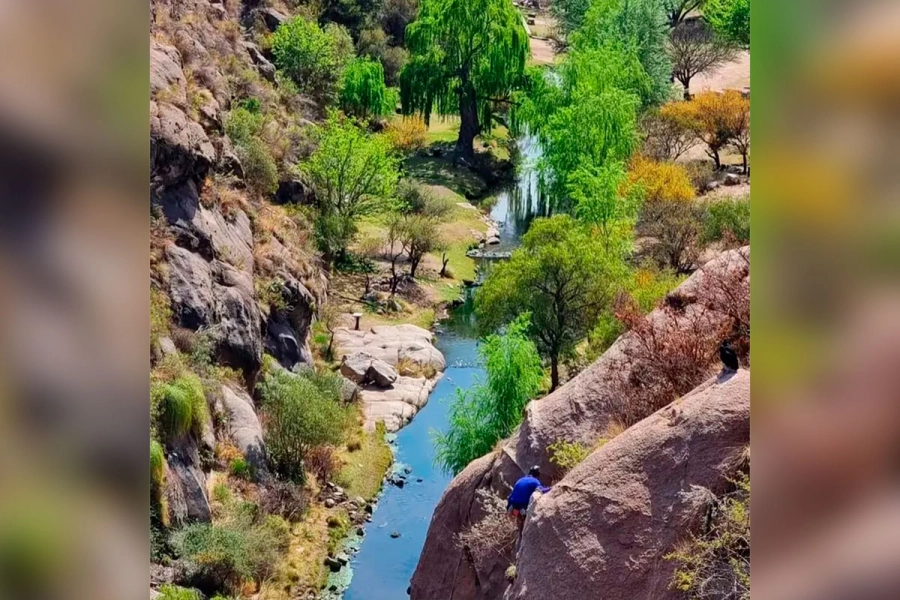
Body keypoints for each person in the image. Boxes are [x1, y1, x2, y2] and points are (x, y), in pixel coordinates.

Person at [507, 466, 551, 531]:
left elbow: (512, 494)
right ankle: (525, 526)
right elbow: (541, 490)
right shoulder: (535, 481)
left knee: (519, 512)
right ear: (538, 474)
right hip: (523, 505)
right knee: (534, 498)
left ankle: (520, 522)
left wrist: (508, 506)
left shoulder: (520, 479)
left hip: (512, 504)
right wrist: (550, 488)